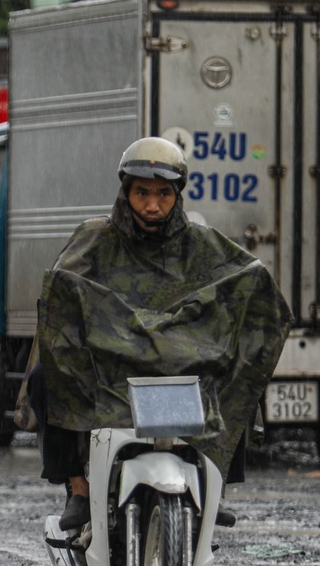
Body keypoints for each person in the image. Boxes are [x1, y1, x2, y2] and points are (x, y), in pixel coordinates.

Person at [33, 137, 291, 532]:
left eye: (163, 194)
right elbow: (62, 292)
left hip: (182, 364)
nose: (152, 205)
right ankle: (79, 488)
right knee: (43, 377)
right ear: (125, 191)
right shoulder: (94, 239)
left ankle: (215, 484)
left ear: (178, 194)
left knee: (239, 379)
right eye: (142, 193)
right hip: (112, 366)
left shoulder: (202, 244)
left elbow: (247, 279)